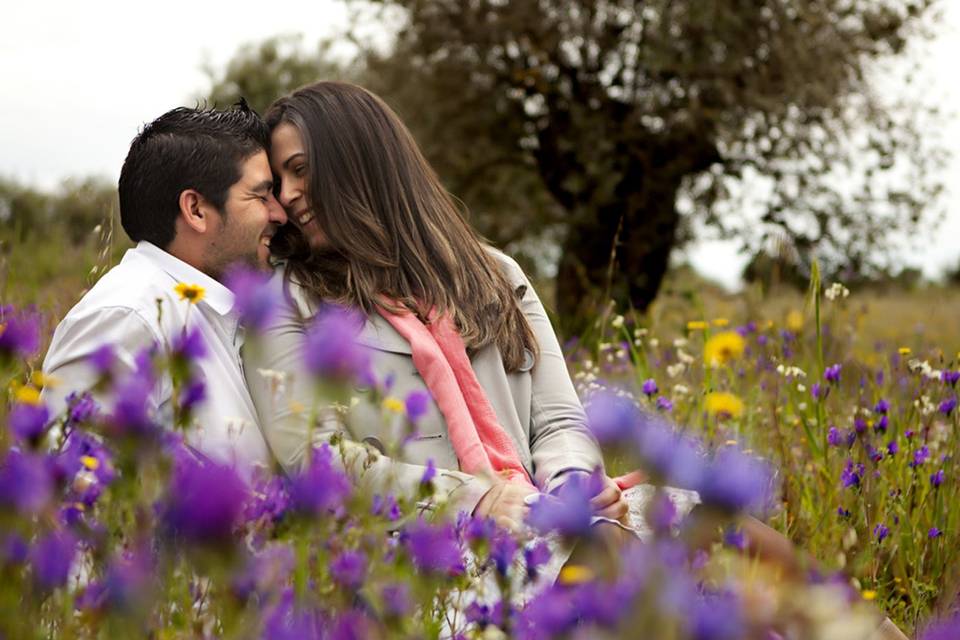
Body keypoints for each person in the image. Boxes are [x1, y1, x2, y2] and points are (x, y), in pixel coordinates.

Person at [243, 81, 631, 531]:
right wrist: (472, 498)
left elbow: (559, 421)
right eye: (278, 182)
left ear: (359, 163)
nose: (287, 196)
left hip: (536, 518)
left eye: (301, 170)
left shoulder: (495, 274)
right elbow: (315, 458)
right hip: (412, 554)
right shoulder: (286, 300)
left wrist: (574, 483)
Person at [42, 102, 287, 472]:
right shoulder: (128, 316)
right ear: (196, 210)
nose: (279, 213)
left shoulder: (213, 311)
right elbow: (68, 495)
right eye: (260, 195)